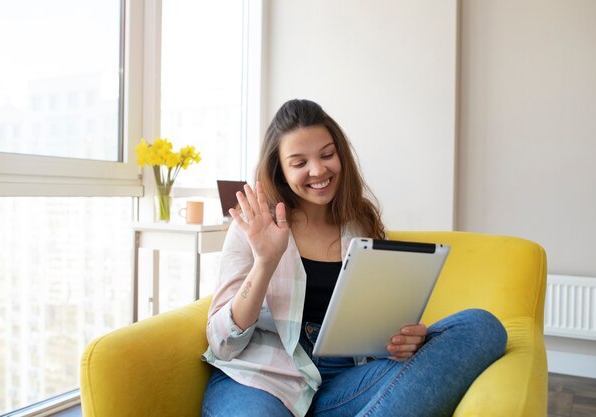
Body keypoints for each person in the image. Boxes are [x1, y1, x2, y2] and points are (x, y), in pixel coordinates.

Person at [201, 99, 507, 417]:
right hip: (263, 381)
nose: (318, 170)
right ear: (280, 170)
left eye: (327, 155)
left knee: (482, 327)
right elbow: (223, 343)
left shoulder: (360, 220)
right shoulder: (253, 227)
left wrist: (402, 339)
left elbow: (378, 316)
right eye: (299, 162)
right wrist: (265, 262)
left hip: (345, 381)